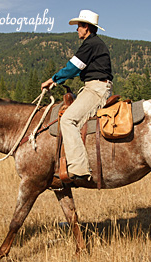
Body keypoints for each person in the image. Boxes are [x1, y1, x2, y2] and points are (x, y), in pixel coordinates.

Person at [41, 9, 113, 180]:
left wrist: (52, 80)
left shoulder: (91, 44)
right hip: (93, 87)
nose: (77, 29)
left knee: (67, 120)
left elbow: (73, 67)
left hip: (96, 89)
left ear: (87, 27)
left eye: (79, 26)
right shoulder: (93, 44)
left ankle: (79, 169)